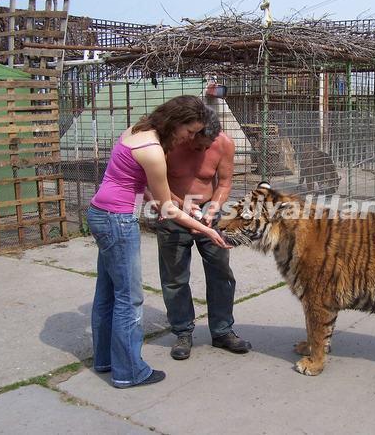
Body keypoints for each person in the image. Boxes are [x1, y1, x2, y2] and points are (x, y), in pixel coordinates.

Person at [87, 96, 231, 388]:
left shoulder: (137, 130)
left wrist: (199, 208)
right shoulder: (155, 150)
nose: (189, 138)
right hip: (118, 219)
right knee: (129, 299)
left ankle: (105, 359)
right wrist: (205, 230)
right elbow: (166, 206)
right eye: (189, 131)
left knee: (107, 294)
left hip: (100, 212)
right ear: (176, 122)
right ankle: (129, 372)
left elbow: (150, 189)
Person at [156, 107, 252, 360]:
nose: (202, 151)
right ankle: (183, 332)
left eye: (207, 146)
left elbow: (225, 183)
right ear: (191, 133)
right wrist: (180, 204)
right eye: (198, 145)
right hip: (172, 214)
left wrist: (214, 208)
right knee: (174, 277)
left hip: (209, 214)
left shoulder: (224, 144)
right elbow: (152, 184)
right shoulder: (170, 144)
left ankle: (222, 331)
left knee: (221, 274)